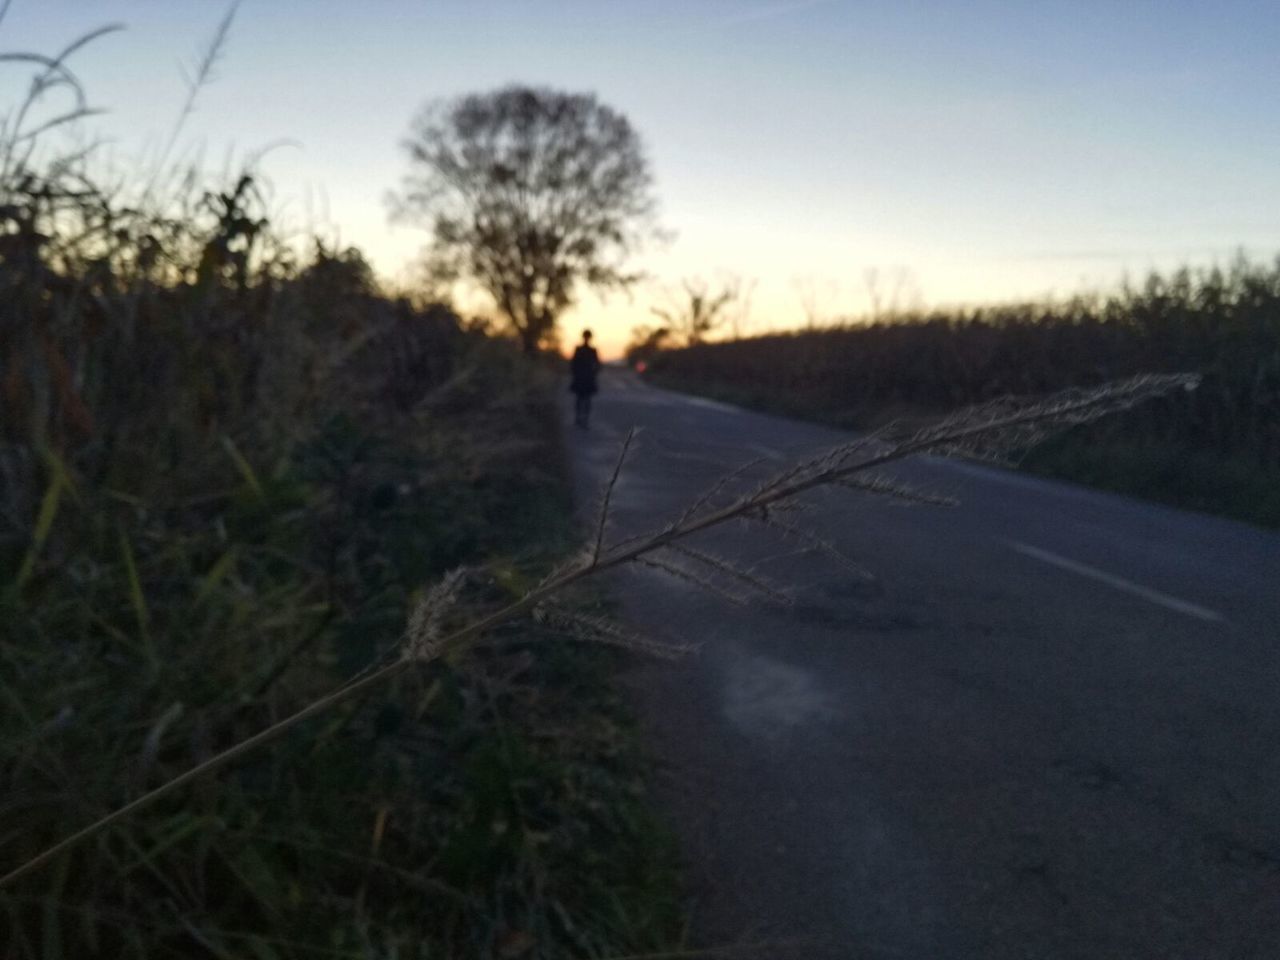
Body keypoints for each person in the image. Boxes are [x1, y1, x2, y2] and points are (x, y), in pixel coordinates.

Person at [569, 329, 601, 428]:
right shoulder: (581, 349)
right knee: (581, 399)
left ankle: (583, 419)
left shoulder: (591, 350)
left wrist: (593, 374)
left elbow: (597, 364)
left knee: (585, 399)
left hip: (586, 377)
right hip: (582, 377)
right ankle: (579, 419)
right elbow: (574, 364)